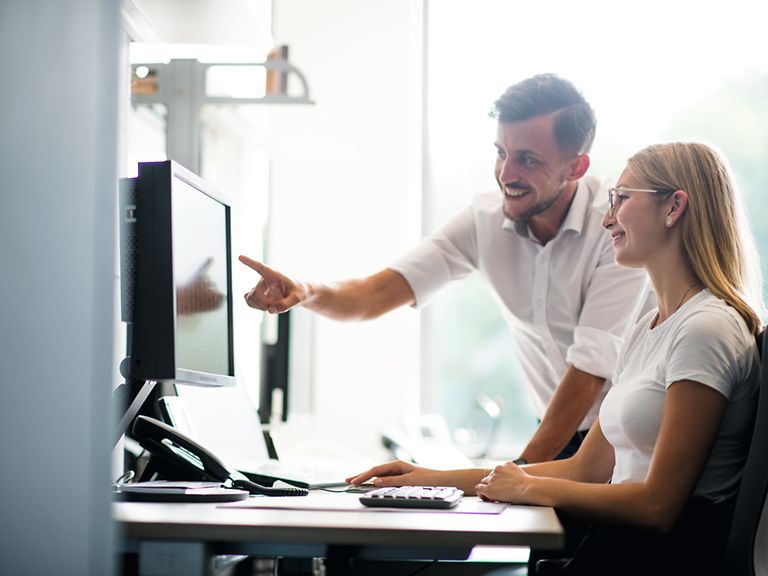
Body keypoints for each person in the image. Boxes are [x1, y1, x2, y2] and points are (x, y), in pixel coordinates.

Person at [346, 142, 764, 575]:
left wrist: (526, 487)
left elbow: (657, 505)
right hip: (621, 551)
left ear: (674, 206)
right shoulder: (649, 326)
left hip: (658, 560)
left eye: (621, 199)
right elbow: (586, 467)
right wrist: (429, 478)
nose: (607, 218)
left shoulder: (706, 329)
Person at [240, 73, 651, 462]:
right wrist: (305, 291)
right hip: (551, 432)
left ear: (575, 167)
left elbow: (590, 370)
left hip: (623, 441)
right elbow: (377, 293)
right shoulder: (483, 220)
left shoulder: (615, 226)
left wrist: (516, 471)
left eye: (527, 159)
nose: (506, 174)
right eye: (500, 152)